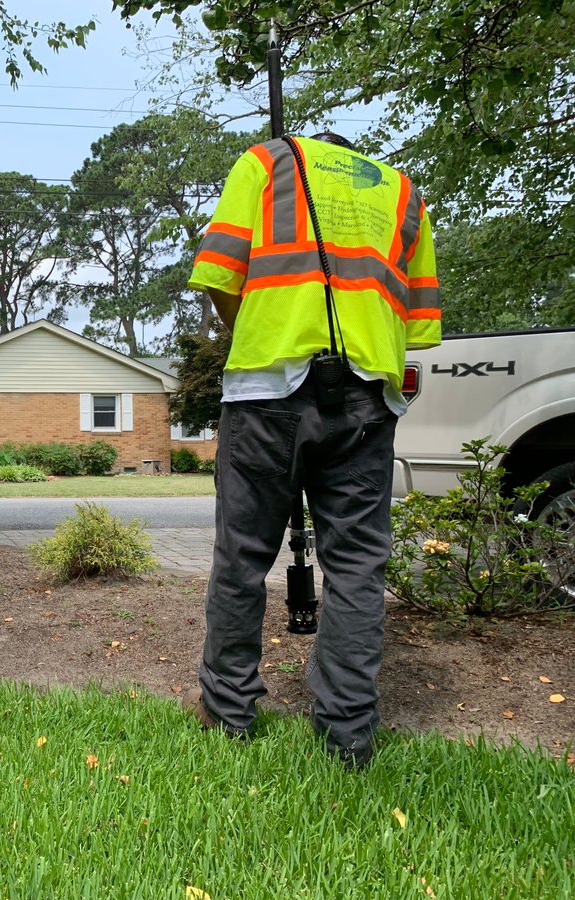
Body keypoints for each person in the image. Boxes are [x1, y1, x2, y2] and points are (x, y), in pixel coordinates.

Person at [182, 132, 442, 769]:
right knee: (356, 564)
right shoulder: (404, 195)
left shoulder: (267, 162)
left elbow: (219, 274)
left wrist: (257, 329)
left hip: (266, 389)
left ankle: (228, 712)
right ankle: (348, 735)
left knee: (243, 555)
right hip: (365, 398)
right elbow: (420, 324)